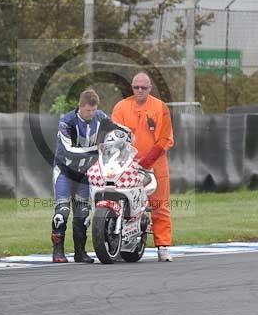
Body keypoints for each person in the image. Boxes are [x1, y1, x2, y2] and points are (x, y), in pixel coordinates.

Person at [111, 72, 175, 262]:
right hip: (127, 163)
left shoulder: (160, 107)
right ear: (132, 87)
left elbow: (165, 140)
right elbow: (113, 134)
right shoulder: (121, 107)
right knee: (121, 201)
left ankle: (163, 247)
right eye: (136, 87)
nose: (139, 91)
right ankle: (119, 239)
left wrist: (147, 161)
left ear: (150, 89)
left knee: (159, 205)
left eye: (143, 88)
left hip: (155, 164)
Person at [51, 89, 109, 263]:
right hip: (64, 171)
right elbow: (68, 151)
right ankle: (58, 252)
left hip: (85, 173)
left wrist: (126, 133)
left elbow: (114, 129)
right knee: (62, 211)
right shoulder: (66, 121)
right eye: (87, 111)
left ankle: (80, 252)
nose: (91, 114)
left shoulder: (100, 116)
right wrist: (96, 149)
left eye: (93, 110)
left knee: (83, 213)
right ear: (80, 106)